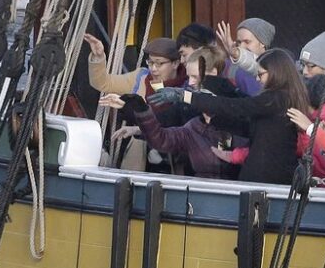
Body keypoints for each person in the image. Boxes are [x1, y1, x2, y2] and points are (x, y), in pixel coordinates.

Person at [150, 48, 310, 184]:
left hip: (268, 179)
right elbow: (250, 129)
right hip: (267, 177)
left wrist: (185, 96)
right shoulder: (281, 100)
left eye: (260, 74)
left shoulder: (277, 98)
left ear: (276, 73)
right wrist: (215, 119)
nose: (257, 78)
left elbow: (234, 107)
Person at [99, 48, 244, 179]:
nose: (191, 83)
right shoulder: (193, 123)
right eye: (189, 77)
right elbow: (161, 132)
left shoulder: (240, 109)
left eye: (195, 76)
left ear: (212, 73)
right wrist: (136, 107)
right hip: (200, 190)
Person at [176, 22, 261, 95]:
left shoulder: (239, 73)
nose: (182, 61)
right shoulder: (191, 80)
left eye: (184, 55)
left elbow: (257, 105)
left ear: (200, 49)